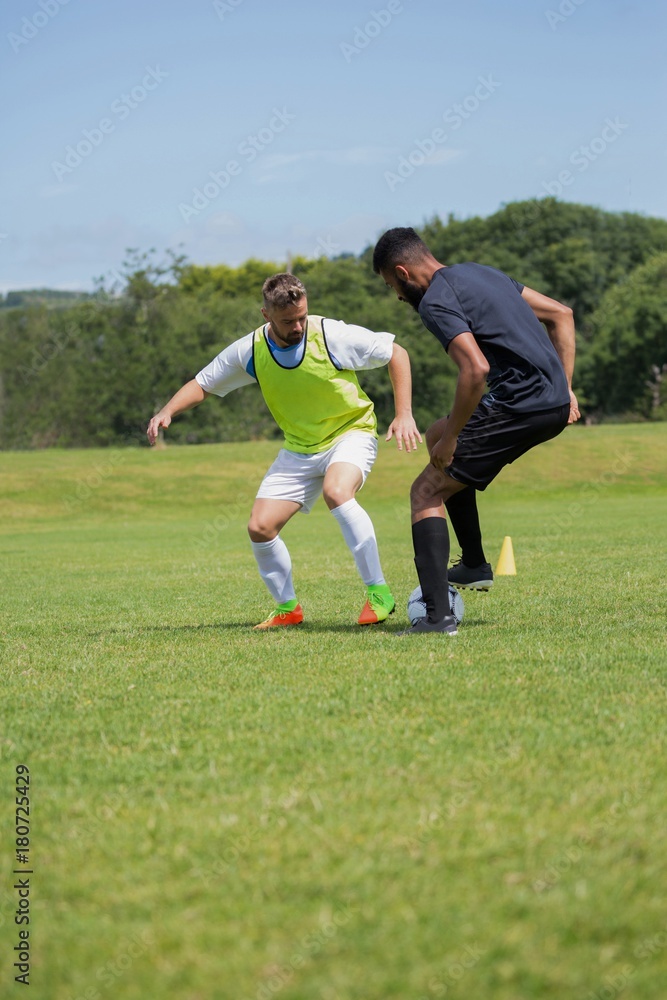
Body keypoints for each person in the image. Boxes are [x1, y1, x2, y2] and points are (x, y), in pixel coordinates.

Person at [147, 272, 421, 629]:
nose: (298, 326)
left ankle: (379, 593)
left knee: (336, 492)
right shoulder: (251, 350)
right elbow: (204, 383)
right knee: (260, 527)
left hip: (350, 432)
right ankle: (288, 608)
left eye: (302, 317)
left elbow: (395, 353)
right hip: (300, 449)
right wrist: (168, 410)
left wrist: (403, 414)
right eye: (288, 321)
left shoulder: (330, 334)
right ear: (266, 316)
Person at [372, 227, 580, 636]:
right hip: (551, 402)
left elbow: (475, 369)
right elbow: (562, 314)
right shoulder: (481, 273)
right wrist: (565, 388)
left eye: (392, 285)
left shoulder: (434, 301)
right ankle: (473, 564)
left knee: (425, 491)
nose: (397, 295)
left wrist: (453, 441)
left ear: (403, 272)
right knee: (435, 433)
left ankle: (437, 618)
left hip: (518, 403)